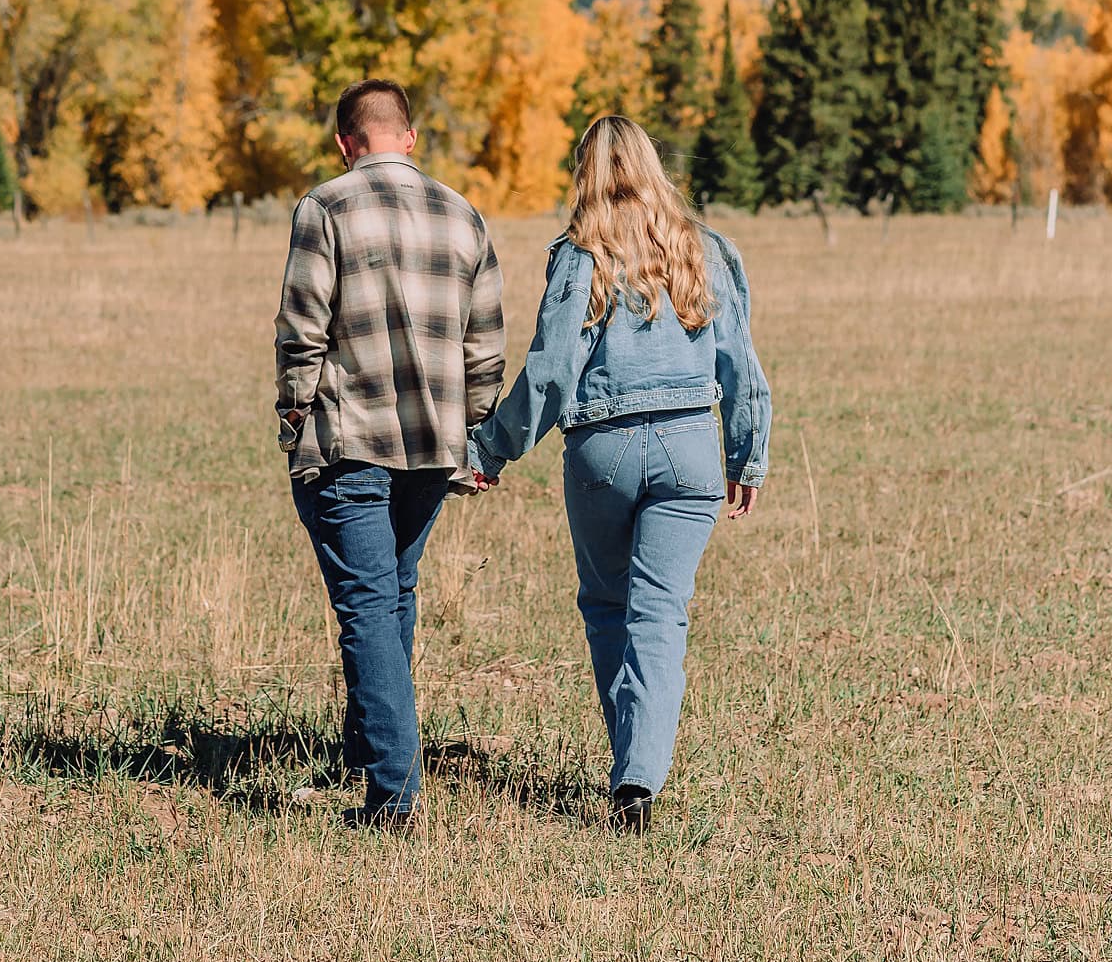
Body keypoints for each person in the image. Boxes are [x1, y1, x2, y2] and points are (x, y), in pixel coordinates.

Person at [470, 114, 770, 832]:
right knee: (660, 612)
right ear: (651, 165)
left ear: (586, 174)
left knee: (608, 608)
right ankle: (639, 776)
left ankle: (629, 764)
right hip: (693, 446)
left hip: (602, 449)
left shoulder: (580, 257)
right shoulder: (708, 250)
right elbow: (742, 362)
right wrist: (748, 451)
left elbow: (550, 370)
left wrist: (491, 450)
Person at [275, 78, 505, 828]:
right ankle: (369, 745)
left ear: (346, 141)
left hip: (352, 436)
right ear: (408, 137)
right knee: (395, 591)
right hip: (435, 444)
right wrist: (475, 430)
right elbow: (486, 343)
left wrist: (293, 414)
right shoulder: (463, 214)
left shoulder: (326, 205)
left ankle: (394, 793)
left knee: (369, 606)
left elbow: (303, 325)